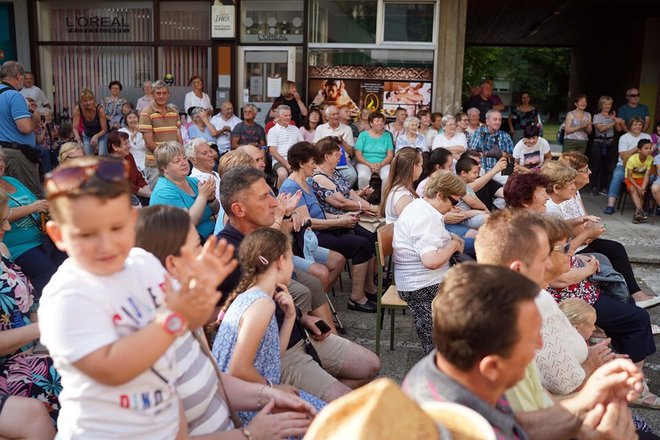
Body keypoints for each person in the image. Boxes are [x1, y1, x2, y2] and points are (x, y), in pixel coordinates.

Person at [39, 156, 237, 438]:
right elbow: (111, 368)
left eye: (116, 228)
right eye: (87, 234)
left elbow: (172, 355)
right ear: (58, 235)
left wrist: (201, 287)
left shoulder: (143, 264)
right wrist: (176, 317)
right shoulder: (67, 296)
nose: (105, 244)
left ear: (132, 219)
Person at [136, 205, 316, 438]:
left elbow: (215, 381)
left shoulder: (181, 318)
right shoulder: (150, 341)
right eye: (198, 247)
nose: (205, 256)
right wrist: (250, 434)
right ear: (172, 265)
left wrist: (269, 393)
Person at [474, 209, 645, 440]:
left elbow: (539, 394)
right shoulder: (531, 305)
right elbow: (557, 392)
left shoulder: (510, 302)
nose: (569, 256)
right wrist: (596, 377)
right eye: (558, 251)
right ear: (518, 269)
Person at [216, 166, 381, 402]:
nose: (274, 203)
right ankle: (312, 408)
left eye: (271, 194)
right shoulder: (227, 252)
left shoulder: (262, 233)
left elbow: (278, 291)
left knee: (370, 365)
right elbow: (226, 321)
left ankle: (313, 407)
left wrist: (303, 317)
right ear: (239, 209)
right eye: (264, 197)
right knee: (347, 402)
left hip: (298, 333)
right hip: (277, 353)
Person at [403, 263, 540, 438]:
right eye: (531, 338)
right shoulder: (471, 432)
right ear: (491, 367)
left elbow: (513, 425)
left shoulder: (440, 366)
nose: (540, 344)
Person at [542, 215, 659, 408]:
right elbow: (560, 279)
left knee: (626, 303)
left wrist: (578, 257)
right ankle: (634, 388)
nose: (545, 197)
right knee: (637, 319)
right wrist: (587, 268)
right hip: (575, 298)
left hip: (586, 292)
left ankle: (629, 375)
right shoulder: (537, 235)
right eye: (541, 192)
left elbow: (567, 254)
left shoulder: (541, 224)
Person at [212, 228, 326, 425]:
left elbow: (271, 357)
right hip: (251, 408)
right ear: (280, 261)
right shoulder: (262, 304)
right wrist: (273, 388)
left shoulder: (253, 297)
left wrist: (290, 317)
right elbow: (238, 368)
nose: (292, 266)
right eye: (291, 258)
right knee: (326, 420)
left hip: (248, 399)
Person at [281, 141, 378, 312]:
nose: (315, 165)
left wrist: (342, 217)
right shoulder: (291, 186)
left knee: (342, 257)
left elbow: (320, 214)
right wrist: (339, 222)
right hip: (307, 239)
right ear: (302, 164)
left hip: (318, 232)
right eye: (312, 162)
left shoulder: (307, 182)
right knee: (360, 245)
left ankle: (319, 300)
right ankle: (322, 305)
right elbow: (307, 222)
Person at [557, 151, 660, 309]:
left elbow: (587, 219)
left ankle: (635, 297)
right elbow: (580, 233)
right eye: (586, 170)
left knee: (615, 248)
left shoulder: (575, 192)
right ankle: (627, 303)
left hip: (582, 241)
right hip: (573, 247)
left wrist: (589, 231)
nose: (590, 172)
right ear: (573, 173)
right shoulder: (564, 197)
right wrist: (589, 233)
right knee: (607, 255)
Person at [0, 188, 61, 423]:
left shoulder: (3, 250)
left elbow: (29, 303)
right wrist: (43, 329)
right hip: (9, 368)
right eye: (3, 221)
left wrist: (45, 344)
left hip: (29, 352)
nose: (8, 227)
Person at [393, 171, 466, 354]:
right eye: (454, 201)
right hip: (421, 286)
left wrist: (450, 237)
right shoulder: (426, 217)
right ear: (440, 194)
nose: (454, 207)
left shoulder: (420, 206)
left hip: (419, 281)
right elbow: (431, 261)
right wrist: (454, 244)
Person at [309, 138, 380, 312]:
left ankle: (369, 286)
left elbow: (350, 195)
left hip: (345, 221)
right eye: (337, 152)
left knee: (371, 237)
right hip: (331, 224)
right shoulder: (319, 177)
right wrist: (369, 207)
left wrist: (363, 202)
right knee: (362, 245)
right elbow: (340, 203)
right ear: (326, 156)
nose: (341, 154)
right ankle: (356, 297)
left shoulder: (335, 172)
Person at [0, 148, 66, 303]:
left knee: (66, 256)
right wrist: (33, 207)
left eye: (1, 160)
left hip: (40, 236)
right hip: (17, 245)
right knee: (46, 269)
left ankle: (66, 300)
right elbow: (4, 215)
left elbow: (33, 199)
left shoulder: (12, 181)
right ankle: (39, 306)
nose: (0, 164)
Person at [150, 141, 218, 241]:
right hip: (189, 244)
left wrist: (211, 200)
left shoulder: (194, 181)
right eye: (177, 161)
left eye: (185, 158)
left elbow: (215, 211)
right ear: (164, 168)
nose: (183, 163)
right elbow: (187, 224)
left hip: (211, 235)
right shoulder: (164, 192)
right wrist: (203, 196)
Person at [0, 62, 47, 198]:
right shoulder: (14, 96)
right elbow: (25, 128)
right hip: (17, 156)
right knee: (32, 196)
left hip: (2, 153)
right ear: (18, 76)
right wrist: (36, 118)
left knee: (9, 198)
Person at [139, 80, 183, 190]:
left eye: (164, 93)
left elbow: (179, 136)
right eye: (158, 93)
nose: (161, 96)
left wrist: (179, 155)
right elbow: (149, 143)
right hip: (155, 163)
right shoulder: (146, 112)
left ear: (168, 94)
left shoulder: (174, 112)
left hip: (173, 162)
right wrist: (167, 157)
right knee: (158, 195)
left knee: (174, 195)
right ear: (153, 94)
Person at [603, 116, 651, 214]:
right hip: (624, 166)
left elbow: (650, 152)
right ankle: (610, 205)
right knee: (617, 176)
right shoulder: (624, 137)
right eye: (635, 124)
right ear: (630, 126)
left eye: (640, 124)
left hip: (644, 166)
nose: (638, 126)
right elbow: (623, 155)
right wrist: (637, 147)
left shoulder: (647, 137)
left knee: (654, 177)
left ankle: (651, 206)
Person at [314, 105, 358, 188]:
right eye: (333, 114)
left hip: (343, 162)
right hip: (325, 161)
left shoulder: (347, 129)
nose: (336, 116)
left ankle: (342, 195)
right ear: (327, 117)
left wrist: (342, 142)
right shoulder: (320, 128)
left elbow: (351, 153)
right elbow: (316, 148)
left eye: (337, 114)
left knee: (352, 175)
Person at [106, 130, 151, 204]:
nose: (129, 146)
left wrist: (149, 192)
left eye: (128, 142)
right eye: (126, 143)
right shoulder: (110, 164)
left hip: (136, 194)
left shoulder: (128, 156)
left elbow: (138, 175)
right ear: (115, 147)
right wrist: (149, 194)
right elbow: (126, 186)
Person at [380, 147, 422, 223]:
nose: (422, 169)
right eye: (421, 165)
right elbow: (411, 227)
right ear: (414, 167)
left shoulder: (401, 189)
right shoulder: (403, 197)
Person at [354, 112, 394, 189]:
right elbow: (358, 155)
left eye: (381, 121)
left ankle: (384, 200)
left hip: (383, 163)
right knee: (363, 176)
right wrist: (370, 164)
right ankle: (362, 199)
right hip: (365, 163)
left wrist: (380, 164)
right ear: (371, 123)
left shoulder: (387, 135)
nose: (380, 123)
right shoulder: (363, 135)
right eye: (377, 121)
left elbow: (390, 155)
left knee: (387, 176)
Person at [468, 109, 514, 176]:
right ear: (487, 121)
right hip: (481, 169)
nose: (498, 122)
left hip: (500, 170)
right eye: (495, 119)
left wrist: (503, 154)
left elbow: (512, 156)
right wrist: (488, 153)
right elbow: (471, 152)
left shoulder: (505, 136)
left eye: (500, 120)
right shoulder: (479, 132)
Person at [268, 105, 304, 188]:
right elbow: (272, 151)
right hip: (279, 161)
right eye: (285, 116)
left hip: (295, 159)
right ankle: (280, 197)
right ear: (279, 116)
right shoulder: (273, 131)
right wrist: (286, 164)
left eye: (289, 115)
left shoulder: (295, 129)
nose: (288, 118)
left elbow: (302, 145)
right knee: (283, 174)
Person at [589, 95, 617, 196]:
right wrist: (612, 123)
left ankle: (603, 187)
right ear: (601, 105)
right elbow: (600, 129)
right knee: (596, 166)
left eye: (609, 104)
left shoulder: (613, 116)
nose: (607, 106)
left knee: (607, 167)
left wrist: (616, 121)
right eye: (605, 104)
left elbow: (618, 129)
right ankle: (593, 187)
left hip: (610, 143)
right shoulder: (597, 116)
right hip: (599, 143)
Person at [454, 154, 490, 229]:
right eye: (474, 172)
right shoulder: (457, 184)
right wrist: (484, 208)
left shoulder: (466, 186)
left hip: (470, 215)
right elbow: (472, 202)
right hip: (464, 219)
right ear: (463, 173)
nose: (477, 175)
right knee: (488, 218)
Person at [73, 88, 109, 156]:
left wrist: (96, 136)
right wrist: (78, 138)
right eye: (85, 101)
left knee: (102, 155)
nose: (88, 103)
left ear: (94, 99)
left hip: (102, 134)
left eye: (90, 100)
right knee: (88, 157)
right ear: (81, 102)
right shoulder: (78, 109)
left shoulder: (99, 109)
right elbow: (75, 127)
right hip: (88, 134)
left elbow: (104, 130)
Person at [625, 139, 653, 223]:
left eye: (650, 148)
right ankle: (640, 210)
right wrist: (638, 187)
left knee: (641, 193)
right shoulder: (632, 159)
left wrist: (642, 188)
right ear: (639, 150)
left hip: (641, 179)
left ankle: (637, 215)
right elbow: (629, 177)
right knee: (633, 189)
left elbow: (647, 175)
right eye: (646, 148)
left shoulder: (650, 159)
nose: (649, 150)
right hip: (631, 179)